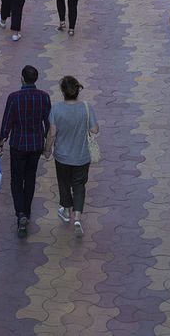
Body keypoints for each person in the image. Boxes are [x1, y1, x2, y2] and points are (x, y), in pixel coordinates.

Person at [0, 65, 52, 238]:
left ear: (22, 78)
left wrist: (1, 141)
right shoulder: (44, 97)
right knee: (30, 178)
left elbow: (7, 121)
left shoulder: (14, 98)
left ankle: (20, 213)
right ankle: (26, 212)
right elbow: (48, 122)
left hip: (18, 144)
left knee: (16, 180)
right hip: (36, 145)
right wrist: (46, 140)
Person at [46, 75, 98, 236]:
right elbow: (95, 129)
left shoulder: (56, 109)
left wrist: (47, 149)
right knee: (79, 185)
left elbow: (52, 133)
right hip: (82, 156)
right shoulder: (86, 108)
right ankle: (77, 218)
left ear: (63, 92)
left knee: (63, 183)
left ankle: (66, 211)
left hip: (62, 156)